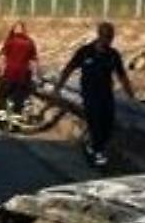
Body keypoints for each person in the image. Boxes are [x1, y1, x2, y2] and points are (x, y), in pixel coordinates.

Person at [56, 21, 135, 168]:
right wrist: (58, 87)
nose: (108, 39)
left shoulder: (113, 55)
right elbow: (69, 68)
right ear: (99, 35)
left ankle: (94, 147)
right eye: (105, 35)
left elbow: (122, 76)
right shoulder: (85, 51)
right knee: (96, 123)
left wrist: (131, 96)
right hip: (90, 94)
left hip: (106, 94)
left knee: (108, 124)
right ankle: (97, 154)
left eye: (110, 36)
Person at [0, 21, 38, 121]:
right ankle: (16, 120)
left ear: (13, 29)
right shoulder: (30, 42)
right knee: (19, 99)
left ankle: (2, 118)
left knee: (2, 96)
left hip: (9, 73)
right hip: (23, 75)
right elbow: (33, 60)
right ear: (24, 30)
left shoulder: (10, 41)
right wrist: (35, 75)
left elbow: (3, 57)